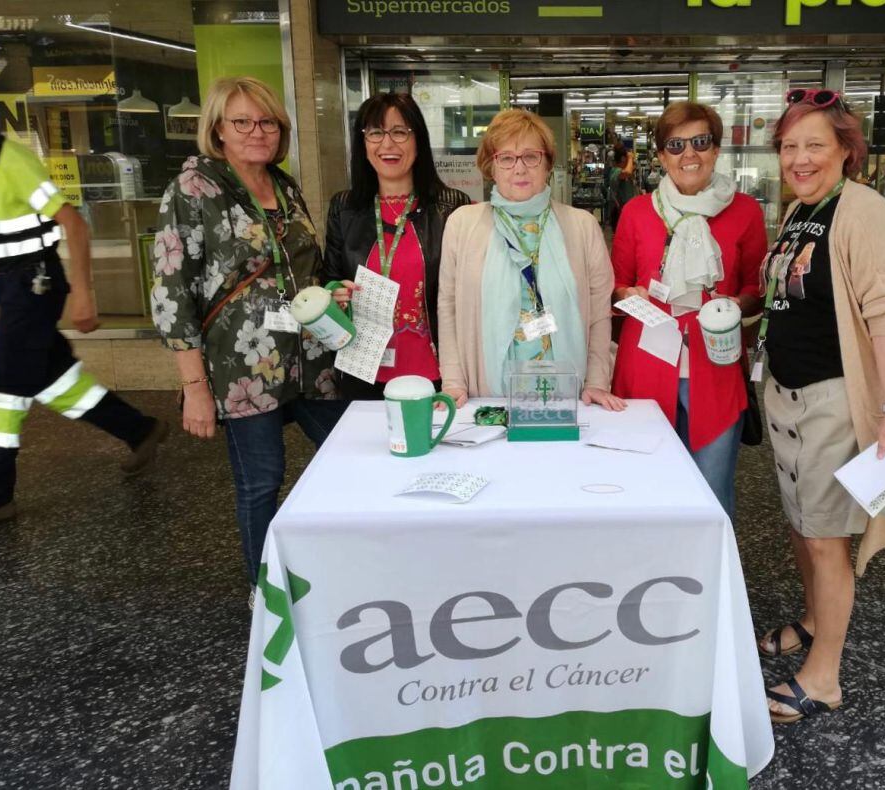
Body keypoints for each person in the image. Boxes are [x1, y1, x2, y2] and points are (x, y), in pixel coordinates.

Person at [152, 76, 344, 596]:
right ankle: (267, 593)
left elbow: (305, 266)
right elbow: (172, 294)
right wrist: (194, 387)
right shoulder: (194, 190)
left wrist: (332, 292)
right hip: (244, 368)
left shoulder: (283, 185)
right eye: (243, 122)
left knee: (347, 454)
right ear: (217, 129)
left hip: (311, 357)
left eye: (268, 122)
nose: (258, 132)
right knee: (261, 481)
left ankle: (341, 567)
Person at [757, 88, 885, 723]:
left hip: (830, 399)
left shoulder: (863, 209)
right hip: (787, 394)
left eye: (814, 144)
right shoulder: (800, 209)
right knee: (802, 522)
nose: (799, 158)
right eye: (789, 146)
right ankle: (816, 617)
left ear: (846, 150)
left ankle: (823, 676)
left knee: (826, 540)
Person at [0, 122, 167, 523]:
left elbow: (74, 223)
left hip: (34, 281)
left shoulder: (15, 163)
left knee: (1, 386)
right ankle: (139, 430)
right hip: (8, 282)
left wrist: (84, 294)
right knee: (52, 379)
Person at [610, 101, 768, 520]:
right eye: (675, 145)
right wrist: (629, 292)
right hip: (644, 367)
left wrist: (739, 303)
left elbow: (757, 287)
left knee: (711, 496)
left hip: (715, 367)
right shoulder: (637, 212)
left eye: (700, 142)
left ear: (716, 150)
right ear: (661, 156)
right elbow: (613, 286)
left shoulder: (745, 212)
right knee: (646, 492)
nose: (688, 154)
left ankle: (711, 583)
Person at [437, 109, 623, 411]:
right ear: (491, 166)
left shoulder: (582, 226)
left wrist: (597, 381)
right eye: (506, 158)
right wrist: (453, 382)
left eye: (530, 156)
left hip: (565, 393)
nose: (519, 168)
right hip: (486, 393)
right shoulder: (462, 224)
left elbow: (600, 312)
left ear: (547, 163)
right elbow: (447, 308)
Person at [322, 93, 470, 399]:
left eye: (399, 132)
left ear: (419, 140)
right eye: (375, 132)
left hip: (439, 372)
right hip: (364, 370)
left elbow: (468, 293)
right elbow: (328, 279)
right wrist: (335, 294)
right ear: (363, 144)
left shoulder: (452, 207)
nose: (387, 144)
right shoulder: (343, 208)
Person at [607, 147, 637, 232]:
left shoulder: (622, 171)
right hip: (619, 213)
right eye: (627, 159)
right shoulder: (616, 171)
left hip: (626, 213)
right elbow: (627, 173)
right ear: (623, 159)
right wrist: (630, 158)